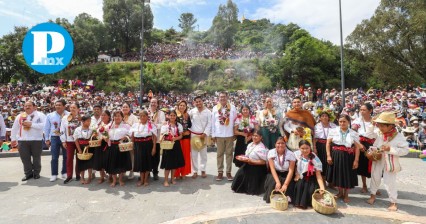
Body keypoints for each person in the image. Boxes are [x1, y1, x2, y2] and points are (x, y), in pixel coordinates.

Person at [367, 112, 409, 211]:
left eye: (382, 126)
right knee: (375, 176)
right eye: (379, 125)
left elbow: (405, 150)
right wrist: (372, 125)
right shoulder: (378, 132)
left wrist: (390, 149)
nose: (380, 128)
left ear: (390, 126)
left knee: (390, 181)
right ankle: (372, 196)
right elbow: (368, 134)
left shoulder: (399, 136)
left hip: (390, 161)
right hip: (377, 158)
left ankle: (393, 202)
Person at [326, 114, 362, 203]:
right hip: (336, 155)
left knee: (347, 174)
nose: (342, 123)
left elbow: (357, 148)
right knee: (338, 174)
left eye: (344, 121)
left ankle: (346, 194)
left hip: (348, 157)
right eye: (340, 121)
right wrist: (328, 155)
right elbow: (328, 143)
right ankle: (340, 192)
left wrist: (356, 160)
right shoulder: (333, 131)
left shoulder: (354, 133)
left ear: (348, 122)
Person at [11, 101, 46, 181]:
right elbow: (14, 128)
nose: (27, 107)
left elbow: (44, 125)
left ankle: (36, 173)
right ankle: (28, 174)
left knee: (36, 158)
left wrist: (31, 125)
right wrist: (13, 139)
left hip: (36, 140)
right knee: (25, 158)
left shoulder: (40, 115)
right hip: (22, 140)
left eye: (29, 105)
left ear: (34, 107)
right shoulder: (20, 116)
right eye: (26, 106)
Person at [231, 130, 268, 195]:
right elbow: (247, 155)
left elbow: (263, 162)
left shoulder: (262, 148)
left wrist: (251, 161)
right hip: (249, 163)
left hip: (258, 167)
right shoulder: (250, 144)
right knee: (241, 173)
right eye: (253, 135)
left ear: (261, 137)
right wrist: (244, 159)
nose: (254, 137)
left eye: (256, 136)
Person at [211, 91, 237, 181]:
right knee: (219, 154)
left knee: (229, 154)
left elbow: (235, 121)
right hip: (219, 134)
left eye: (224, 97)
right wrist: (213, 135)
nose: (222, 98)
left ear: (227, 97)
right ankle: (220, 172)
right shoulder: (215, 108)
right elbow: (213, 123)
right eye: (221, 97)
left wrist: (235, 133)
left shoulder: (232, 108)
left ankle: (228, 172)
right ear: (218, 98)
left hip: (229, 134)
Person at [352, 103, 377, 193]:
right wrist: (359, 144)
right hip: (361, 144)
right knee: (363, 165)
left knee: (375, 166)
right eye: (361, 110)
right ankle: (364, 185)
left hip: (374, 145)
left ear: (370, 111)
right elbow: (353, 133)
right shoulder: (357, 121)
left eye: (364, 110)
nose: (361, 112)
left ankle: (375, 187)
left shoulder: (375, 121)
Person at [293, 140, 326, 209]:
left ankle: (305, 203)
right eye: (302, 148)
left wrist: (322, 187)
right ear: (299, 148)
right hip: (301, 176)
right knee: (299, 185)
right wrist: (296, 174)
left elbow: (318, 174)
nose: (305, 150)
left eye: (307, 148)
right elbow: (294, 166)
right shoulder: (296, 155)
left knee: (310, 189)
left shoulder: (314, 158)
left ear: (310, 148)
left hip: (311, 178)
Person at [263, 137, 296, 203]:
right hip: (275, 173)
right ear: (275, 144)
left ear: (285, 144)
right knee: (273, 183)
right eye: (278, 143)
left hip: (287, 173)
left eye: (282, 143)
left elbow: (291, 171)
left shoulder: (291, 154)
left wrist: (285, 184)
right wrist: (277, 182)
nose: (280, 145)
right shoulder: (271, 152)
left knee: (286, 187)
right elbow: (272, 169)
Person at [129, 110, 157, 186]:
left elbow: (154, 137)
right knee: (140, 162)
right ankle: (141, 180)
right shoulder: (135, 125)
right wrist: (132, 146)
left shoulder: (151, 125)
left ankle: (145, 180)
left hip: (148, 144)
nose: (142, 117)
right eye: (141, 116)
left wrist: (154, 147)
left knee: (147, 161)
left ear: (147, 117)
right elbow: (132, 137)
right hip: (138, 145)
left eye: (144, 116)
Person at [44, 99, 69, 182]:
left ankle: (64, 172)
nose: (57, 106)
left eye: (59, 105)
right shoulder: (50, 115)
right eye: (56, 105)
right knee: (54, 157)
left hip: (65, 137)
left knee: (66, 156)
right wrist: (47, 139)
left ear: (64, 106)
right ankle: (54, 174)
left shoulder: (68, 115)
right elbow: (46, 128)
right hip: (54, 137)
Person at [105, 111, 132, 187]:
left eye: (119, 116)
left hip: (121, 146)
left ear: (122, 117)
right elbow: (103, 133)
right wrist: (105, 137)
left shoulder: (126, 126)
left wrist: (126, 136)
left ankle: (120, 180)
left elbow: (131, 133)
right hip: (112, 147)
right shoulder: (109, 126)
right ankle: (114, 180)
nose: (117, 117)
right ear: (113, 117)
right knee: (113, 164)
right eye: (115, 116)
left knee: (121, 164)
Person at [188, 95, 211, 179]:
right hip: (194, 134)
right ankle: (195, 171)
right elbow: (187, 120)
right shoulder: (192, 111)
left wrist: (205, 133)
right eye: (196, 102)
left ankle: (203, 170)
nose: (198, 103)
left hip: (203, 135)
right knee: (194, 154)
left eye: (199, 101)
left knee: (203, 154)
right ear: (194, 103)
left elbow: (209, 123)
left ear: (202, 101)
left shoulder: (208, 112)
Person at [160, 110, 185, 187]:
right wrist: (162, 138)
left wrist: (175, 138)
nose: (172, 117)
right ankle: (166, 180)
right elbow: (162, 135)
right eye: (171, 115)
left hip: (176, 145)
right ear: (168, 116)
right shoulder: (165, 125)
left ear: (176, 116)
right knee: (167, 164)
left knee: (174, 163)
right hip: (167, 145)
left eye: (174, 115)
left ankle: (172, 179)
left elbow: (181, 136)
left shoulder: (179, 125)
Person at [313, 108, 336, 183]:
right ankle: (323, 182)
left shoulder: (333, 126)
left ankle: (331, 183)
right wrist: (315, 148)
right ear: (320, 118)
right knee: (322, 163)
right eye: (322, 116)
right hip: (321, 146)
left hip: (331, 146)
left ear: (329, 117)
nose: (324, 117)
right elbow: (314, 139)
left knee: (331, 163)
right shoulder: (317, 126)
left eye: (326, 116)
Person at [61, 103, 81, 184]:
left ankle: (78, 174)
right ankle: (69, 176)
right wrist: (63, 140)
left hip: (79, 141)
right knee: (69, 158)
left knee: (79, 158)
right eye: (71, 107)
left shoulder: (81, 118)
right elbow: (62, 129)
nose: (72, 109)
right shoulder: (65, 118)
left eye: (74, 107)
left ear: (78, 109)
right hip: (69, 141)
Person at [73, 115, 95, 184]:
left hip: (89, 147)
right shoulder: (77, 129)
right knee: (81, 163)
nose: (89, 122)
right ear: (83, 121)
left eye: (90, 121)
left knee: (90, 163)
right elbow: (76, 140)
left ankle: (89, 177)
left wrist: (89, 145)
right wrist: (79, 149)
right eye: (88, 121)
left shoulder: (91, 130)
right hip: (81, 147)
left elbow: (92, 139)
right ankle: (82, 177)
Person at [148, 98, 166, 180]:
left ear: (157, 104)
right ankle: (147, 172)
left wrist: (154, 125)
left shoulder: (161, 113)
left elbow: (163, 124)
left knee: (156, 156)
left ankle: (155, 172)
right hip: (147, 138)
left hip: (157, 138)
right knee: (147, 156)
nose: (153, 104)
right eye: (152, 102)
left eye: (155, 102)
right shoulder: (146, 112)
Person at [175, 100, 192, 179]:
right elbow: (172, 126)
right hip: (178, 138)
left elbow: (190, 126)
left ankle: (184, 172)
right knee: (177, 155)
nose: (182, 107)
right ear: (178, 106)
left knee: (185, 155)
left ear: (186, 107)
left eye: (183, 106)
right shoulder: (174, 114)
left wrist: (187, 132)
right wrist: (182, 133)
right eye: (180, 105)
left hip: (186, 138)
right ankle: (177, 173)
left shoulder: (187, 115)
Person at [93, 110, 111, 184]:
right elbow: (97, 133)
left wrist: (104, 138)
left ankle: (110, 176)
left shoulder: (111, 124)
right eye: (102, 115)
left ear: (109, 116)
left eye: (104, 115)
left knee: (108, 160)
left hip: (107, 143)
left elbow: (111, 134)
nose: (103, 116)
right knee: (100, 160)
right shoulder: (99, 124)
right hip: (99, 143)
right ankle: (101, 177)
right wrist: (95, 134)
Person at [122, 103, 139, 180]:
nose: (125, 108)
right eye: (123, 107)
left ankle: (131, 170)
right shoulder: (120, 116)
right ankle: (124, 170)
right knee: (123, 156)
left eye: (126, 107)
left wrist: (127, 123)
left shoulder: (134, 117)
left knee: (131, 155)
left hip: (130, 139)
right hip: (121, 139)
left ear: (129, 108)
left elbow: (136, 128)